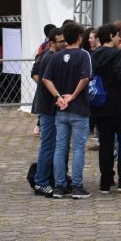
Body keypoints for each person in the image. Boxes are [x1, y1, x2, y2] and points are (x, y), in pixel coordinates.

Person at [42, 21, 93, 200]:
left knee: (60, 148)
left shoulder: (57, 55)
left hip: (61, 109)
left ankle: (59, 187)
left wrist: (58, 97)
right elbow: (85, 78)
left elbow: (46, 79)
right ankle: (77, 187)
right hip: (79, 109)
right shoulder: (84, 55)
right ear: (79, 37)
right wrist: (72, 96)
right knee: (78, 148)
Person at [92, 24, 121, 193]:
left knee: (105, 142)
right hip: (118, 103)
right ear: (111, 36)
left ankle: (105, 181)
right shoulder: (116, 54)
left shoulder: (94, 54)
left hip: (99, 103)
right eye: (118, 35)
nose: (120, 39)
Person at [31, 26, 64, 197]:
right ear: (51, 42)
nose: (64, 44)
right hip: (48, 107)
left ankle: (46, 179)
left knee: (50, 145)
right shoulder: (50, 57)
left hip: (47, 105)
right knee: (48, 145)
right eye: (61, 42)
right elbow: (44, 79)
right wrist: (58, 95)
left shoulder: (48, 56)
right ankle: (41, 181)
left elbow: (37, 75)